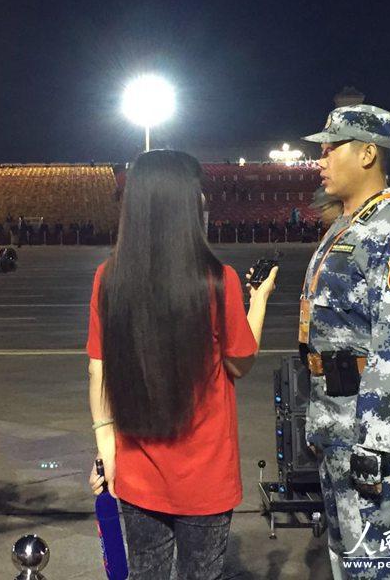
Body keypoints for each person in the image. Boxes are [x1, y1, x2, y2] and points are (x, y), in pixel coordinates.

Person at [87, 150, 277, 579]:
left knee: (144, 572)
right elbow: (240, 364)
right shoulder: (216, 280)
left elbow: (99, 368)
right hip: (205, 473)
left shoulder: (109, 278)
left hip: (138, 465)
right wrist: (259, 300)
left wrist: (105, 448)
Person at [300, 104, 390, 578]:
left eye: (333, 148)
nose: (322, 158)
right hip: (337, 422)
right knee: (346, 559)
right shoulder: (346, 226)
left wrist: (373, 446)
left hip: (374, 433)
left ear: (368, 153)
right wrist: (320, 422)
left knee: (381, 566)